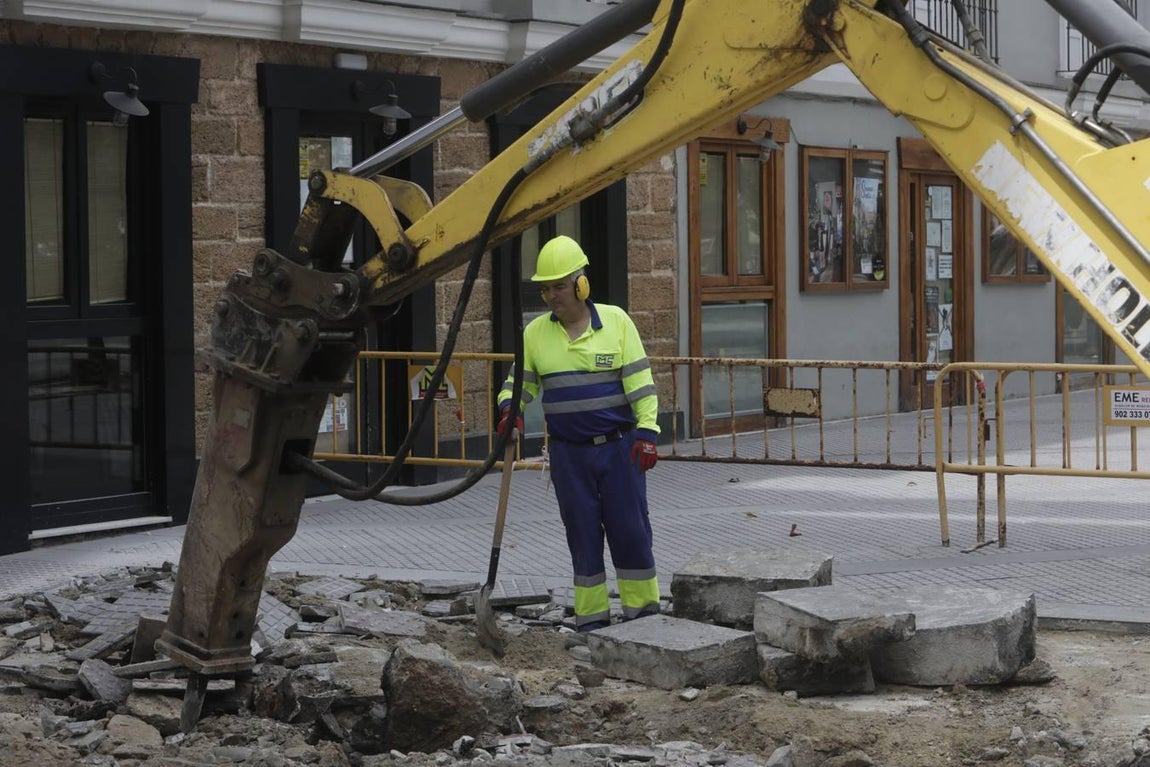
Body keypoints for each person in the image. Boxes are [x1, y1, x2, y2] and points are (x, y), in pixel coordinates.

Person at [497, 234, 661, 632]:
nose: (551, 295)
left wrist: (648, 432)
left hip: (620, 450)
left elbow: (641, 386)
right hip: (570, 457)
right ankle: (592, 622)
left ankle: (643, 619)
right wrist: (510, 412)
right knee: (583, 537)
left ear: (581, 284)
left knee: (630, 532)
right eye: (545, 287)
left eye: (559, 285)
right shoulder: (536, 334)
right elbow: (519, 385)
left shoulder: (618, 323)